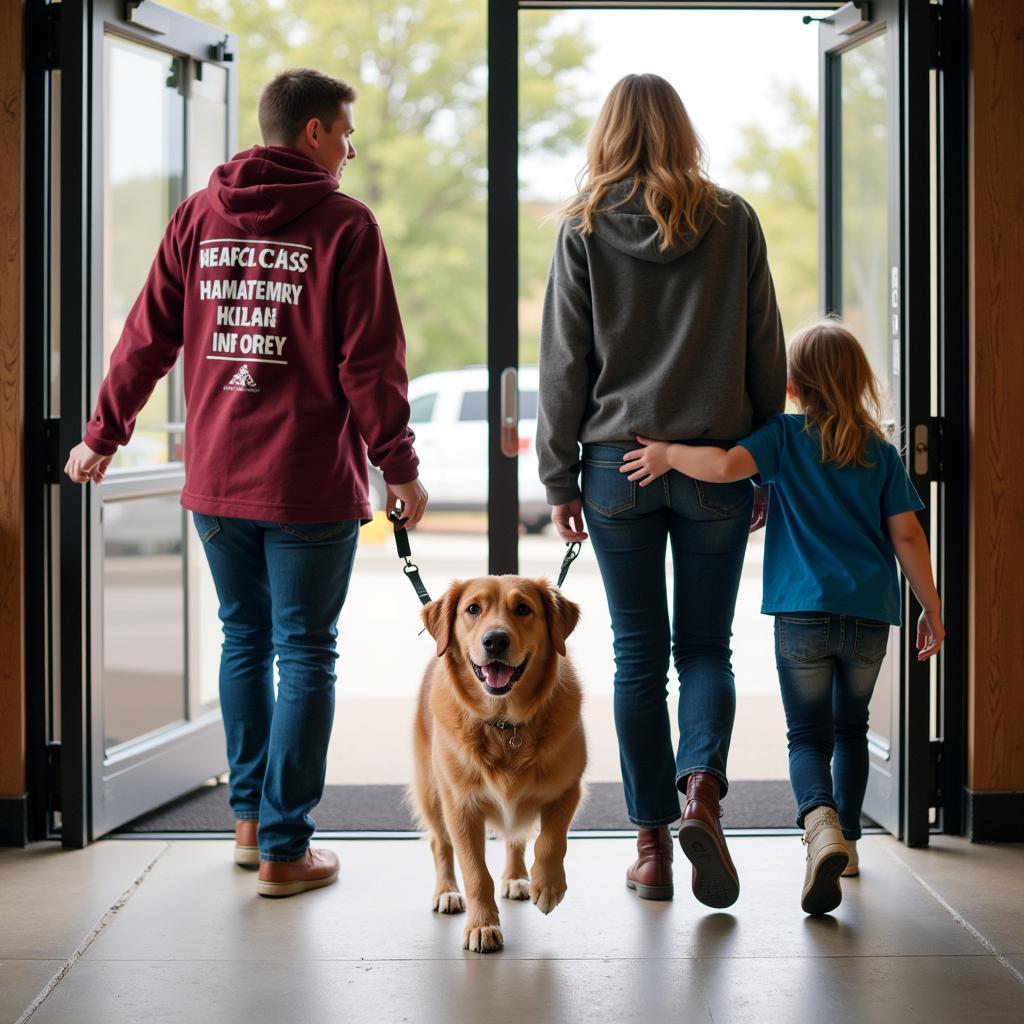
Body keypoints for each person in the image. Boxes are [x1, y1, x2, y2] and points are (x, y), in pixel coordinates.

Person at [65, 68, 427, 898]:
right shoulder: (345, 224)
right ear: (311, 133)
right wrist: (398, 466)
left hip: (219, 484)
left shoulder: (200, 215)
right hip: (306, 484)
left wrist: (103, 434)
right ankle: (286, 849)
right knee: (304, 651)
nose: (350, 147)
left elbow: (146, 337)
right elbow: (369, 363)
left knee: (245, 640)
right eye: (343, 130)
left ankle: (250, 823)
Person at [537, 73, 786, 908]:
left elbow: (566, 365)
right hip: (712, 461)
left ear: (608, 134)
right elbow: (764, 352)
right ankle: (702, 795)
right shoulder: (734, 219)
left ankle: (650, 848)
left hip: (617, 468)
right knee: (707, 649)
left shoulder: (582, 229)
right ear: (681, 131)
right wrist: (758, 460)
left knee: (638, 655)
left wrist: (559, 476)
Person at [621, 318, 944, 915]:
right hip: (869, 616)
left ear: (794, 386)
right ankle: (844, 841)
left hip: (801, 615)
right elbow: (908, 535)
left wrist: (666, 454)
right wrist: (932, 607)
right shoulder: (880, 451)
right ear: (859, 381)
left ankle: (816, 822)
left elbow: (720, 468)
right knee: (851, 729)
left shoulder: (784, 438)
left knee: (807, 736)